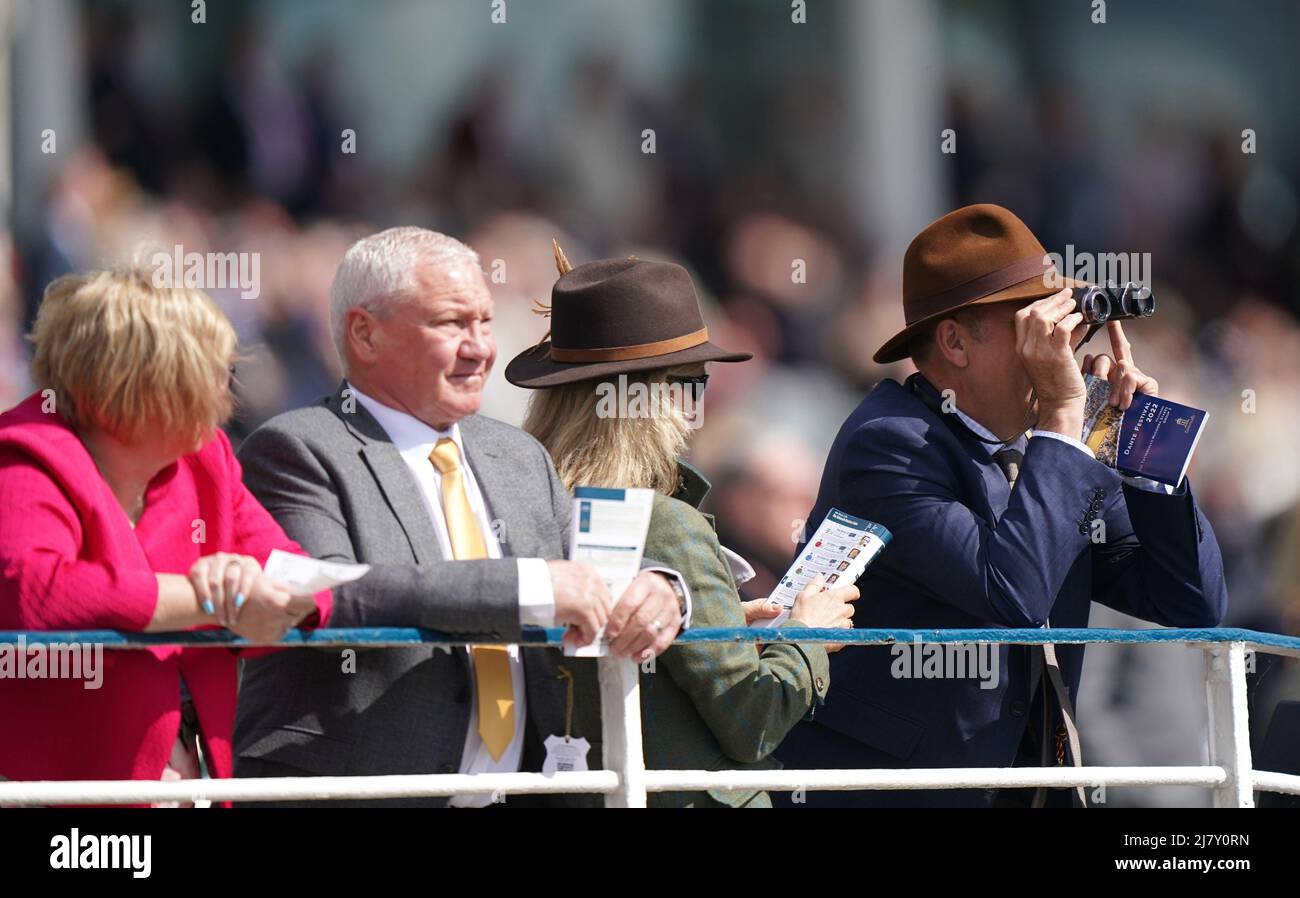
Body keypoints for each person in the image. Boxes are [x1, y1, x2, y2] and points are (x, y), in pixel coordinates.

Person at [775, 204, 1228, 807]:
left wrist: (1141, 446)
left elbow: (1191, 603)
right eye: (1035, 326)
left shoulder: (1052, 449)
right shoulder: (890, 444)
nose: (1063, 348)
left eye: (1069, 324)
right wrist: (1066, 423)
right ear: (956, 341)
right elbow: (1011, 592)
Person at [232, 227, 687, 807]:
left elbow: (580, 561)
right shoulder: (295, 449)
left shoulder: (517, 456)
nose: (480, 348)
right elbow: (321, 593)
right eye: (451, 324)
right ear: (364, 334)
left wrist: (660, 587)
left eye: (485, 322)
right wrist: (528, 586)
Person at [507, 255, 859, 807]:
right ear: (648, 399)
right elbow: (754, 722)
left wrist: (721, 624)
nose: (702, 400)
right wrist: (807, 637)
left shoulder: (534, 508)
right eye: (694, 381)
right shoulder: (666, 522)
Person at [0, 266, 331, 801]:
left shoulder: (205, 462)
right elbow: (38, 594)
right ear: (133, 386)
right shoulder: (24, 456)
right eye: (205, 374)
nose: (226, 395)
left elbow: (305, 577)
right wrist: (211, 599)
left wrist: (262, 593)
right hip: (55, 796)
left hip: (191, 784)